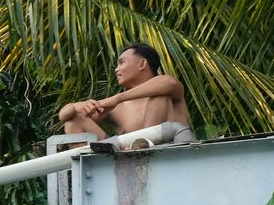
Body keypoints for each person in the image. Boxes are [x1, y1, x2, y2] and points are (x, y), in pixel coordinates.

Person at [58, 43, 194, 145]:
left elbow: (169, 83)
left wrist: (117, 98)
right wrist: (76, 106)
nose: (116, 70)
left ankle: (143, 147)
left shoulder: (169, 92)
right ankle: (90, 171)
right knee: (73, 121)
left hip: (172, 162)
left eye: (122, 62)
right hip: (127, 169)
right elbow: (64, 115)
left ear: (142, 64)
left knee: (159, 94)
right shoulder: (118, 108)